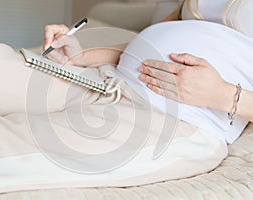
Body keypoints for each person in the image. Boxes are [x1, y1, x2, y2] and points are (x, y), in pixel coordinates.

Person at [43, 0, 253, 144]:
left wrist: (223, 94)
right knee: (12, 67)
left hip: (179, 114)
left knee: (33, 138)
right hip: (113, 79)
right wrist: (82, 57)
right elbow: (146, 41)